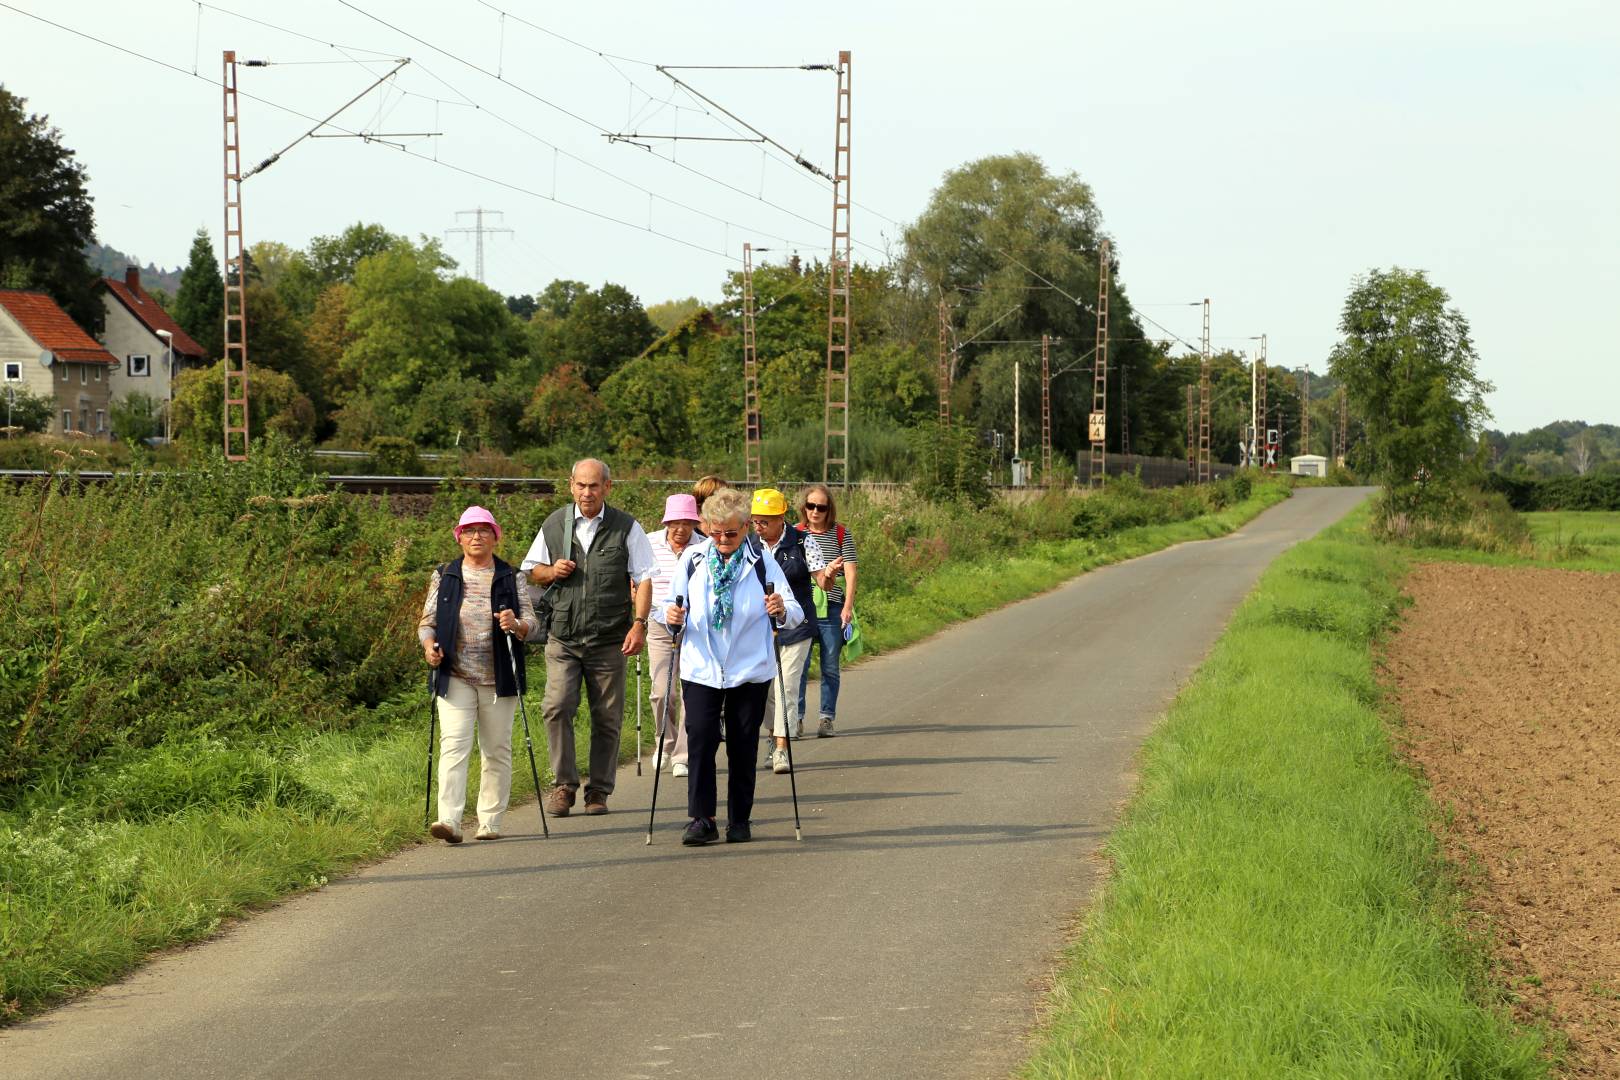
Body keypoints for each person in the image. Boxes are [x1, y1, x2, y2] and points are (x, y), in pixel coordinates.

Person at [664, 489, 803, 846]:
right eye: (715, 532)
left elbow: (795, 611)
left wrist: (780, 609)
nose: (723, 540)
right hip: (701, 667)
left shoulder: (761, 561)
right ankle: (702, 818)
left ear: (745, 528)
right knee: (701, 740)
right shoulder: (692, 559)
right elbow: (670, 606)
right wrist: (671, 616)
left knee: (743, 745)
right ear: (707, 527)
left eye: (731, 533)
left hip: (749, 669)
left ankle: (740, 819)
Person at [521, 459, 654, 817]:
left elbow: (643, 578)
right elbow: (531, 570)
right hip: (563, 638)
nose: (587, 492)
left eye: (594, 486)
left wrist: (639, 623)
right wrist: (551, 571)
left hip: (609, 637)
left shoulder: (626, 526)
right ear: (571, 485)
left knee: (607, 717)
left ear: (608, 487)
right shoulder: (554, 524)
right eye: (581, 485)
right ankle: (564, 785)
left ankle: (599, 791)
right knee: (556, 707)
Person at [418, 506, 539, 843]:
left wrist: (516, 625)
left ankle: (490, 821)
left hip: (499, 677)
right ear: (459, 537)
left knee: (496, 749)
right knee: (454, 746)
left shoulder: (510, 576)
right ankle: (450, 821)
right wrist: (429, 646)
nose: (476, 536)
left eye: (484, 530)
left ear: (494, 536)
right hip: (454, 675)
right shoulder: (444, 575)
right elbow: (427, 622)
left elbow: (532, 624)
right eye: (469, 531)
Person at [750, 487, 816, 774]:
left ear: (781, 518)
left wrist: (828, 576)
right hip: (760, 630)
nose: (759, 527)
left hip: (796, 626)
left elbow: (820, 576)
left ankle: (781, 748)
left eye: (765, 521)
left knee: (786, 687)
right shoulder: (749, 545)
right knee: (766, 691)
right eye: (755, 520)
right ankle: (771, 736)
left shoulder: (803, 541)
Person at [795, 483, 858, 738]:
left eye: (821, 507)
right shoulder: (795, 533)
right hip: (802, 609)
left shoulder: (841, 534)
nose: (816, 511)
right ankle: (795, 719)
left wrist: (848, 607)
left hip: (832, 608)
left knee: (830, 666)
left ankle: (826, 718)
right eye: (811, 506)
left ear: (829, 509)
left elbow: (852, 573)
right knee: (798, 666)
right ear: (804, 507)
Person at [647, 493, 700, 778]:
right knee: (661, 691)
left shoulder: (704, 547)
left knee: (692, 691)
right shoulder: (649, 542)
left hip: (694, 627)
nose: (680, 529)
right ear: (666, 522)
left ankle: (683, 753)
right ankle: (664, 744)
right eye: (675, 522)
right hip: (658, 622)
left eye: (687, 523)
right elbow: (639, 578)